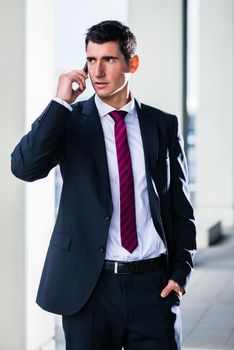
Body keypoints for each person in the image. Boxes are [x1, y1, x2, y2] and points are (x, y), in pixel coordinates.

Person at [11, 20, 196, 350]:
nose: (97, 71)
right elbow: (24, 167)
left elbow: (180, 208)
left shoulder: (163, 125)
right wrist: (59, 103)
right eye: (91, 60)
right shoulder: (69, 121)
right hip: (89, 289)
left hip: (152, 289)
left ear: (132, 63)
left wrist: (180, 273)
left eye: (108, 59)